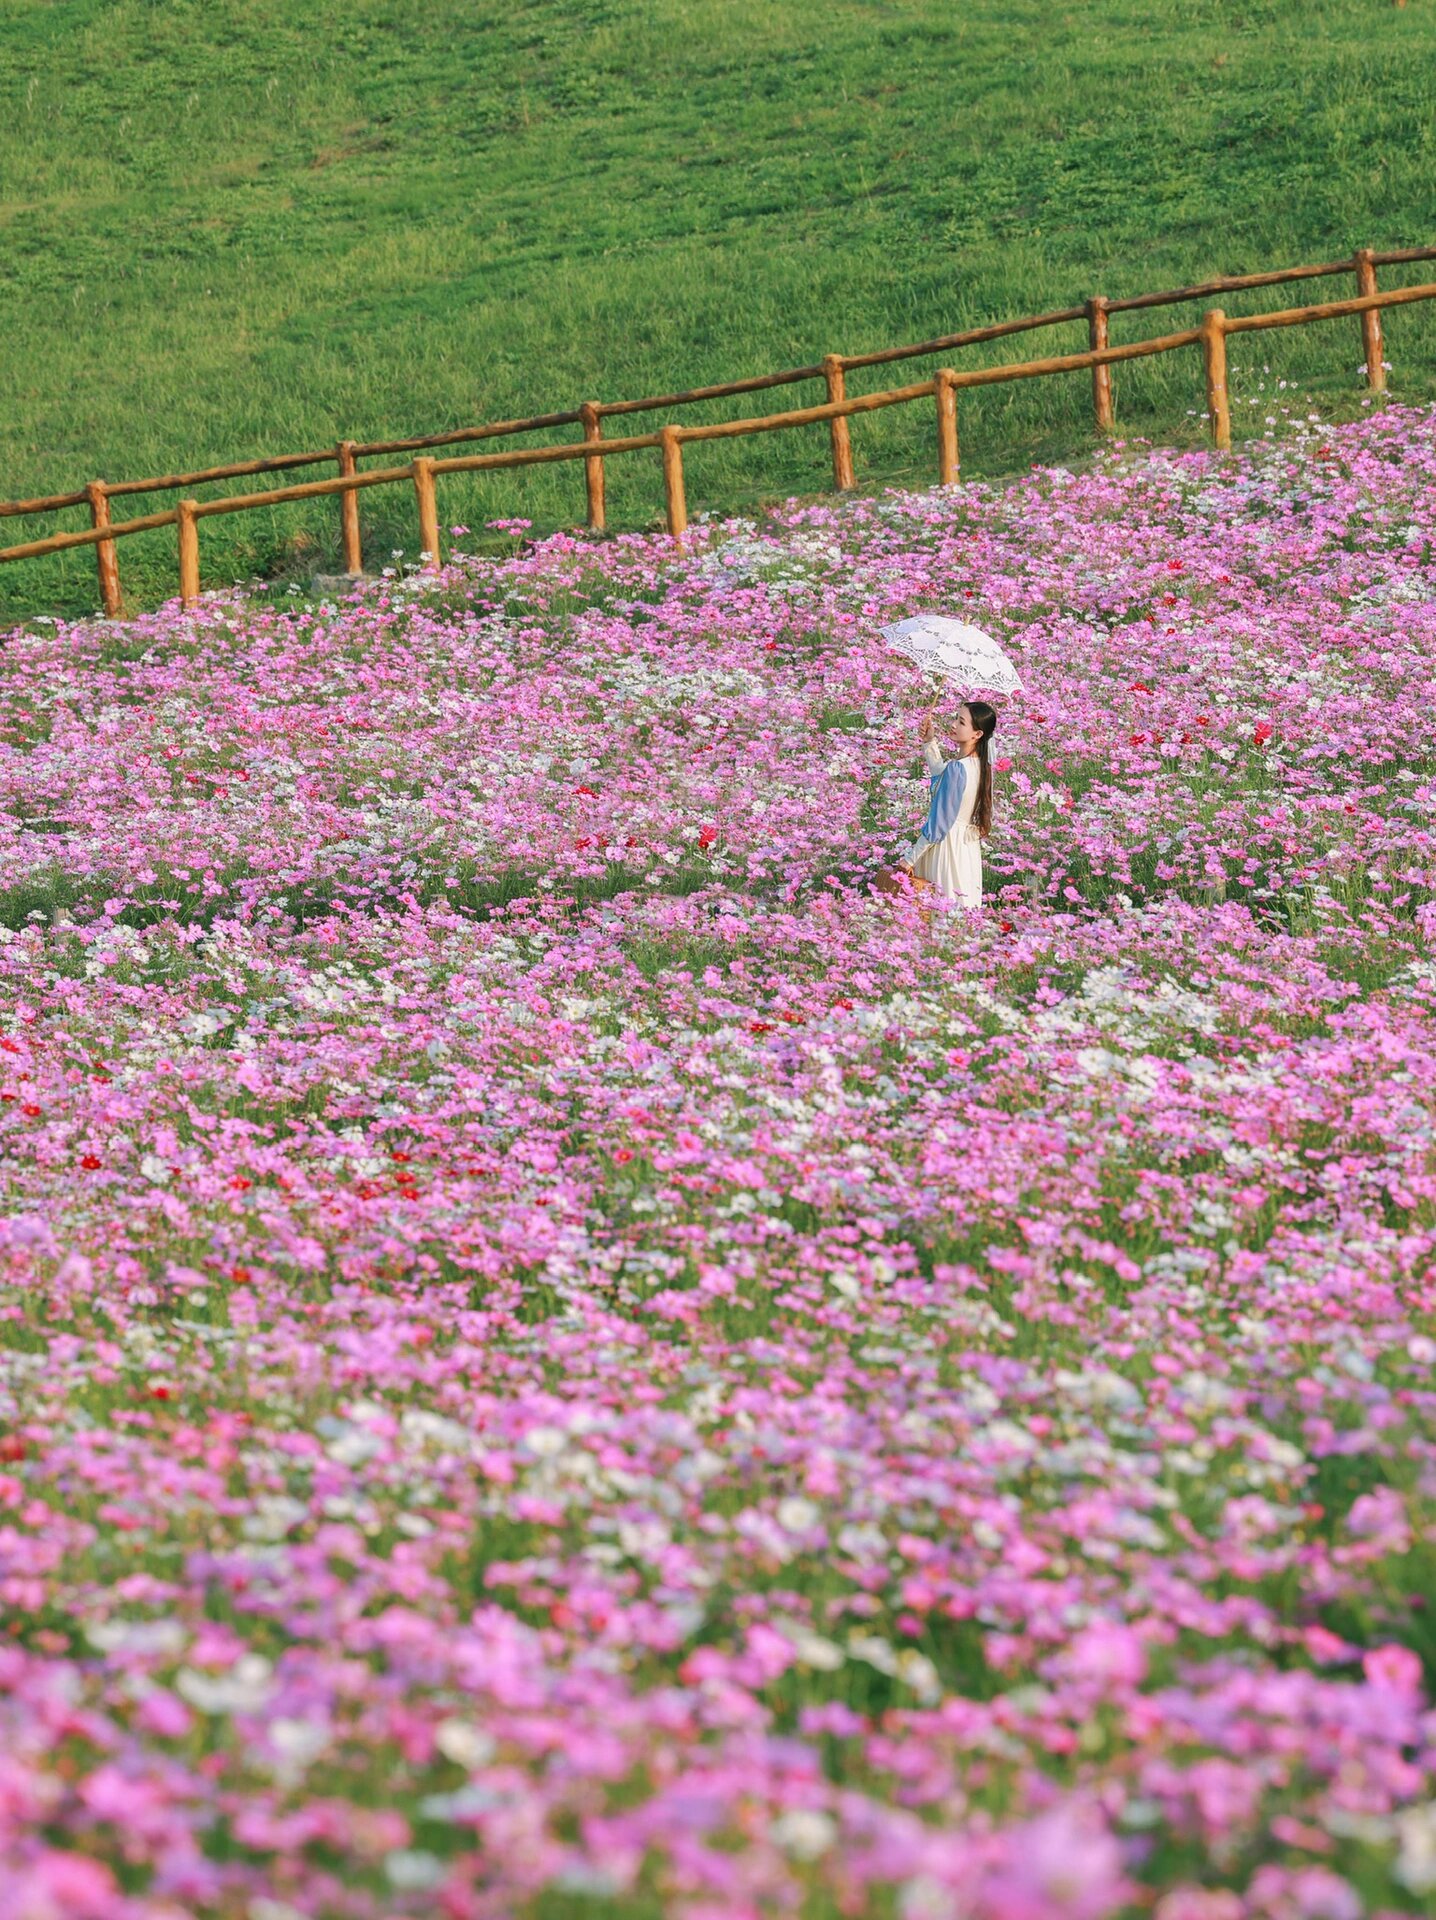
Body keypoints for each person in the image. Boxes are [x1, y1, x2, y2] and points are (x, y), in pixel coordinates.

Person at [901, 700, 996, 908]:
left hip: (945, 847)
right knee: (960, 909)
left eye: (961, 722)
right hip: (965, 849)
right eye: (956, 718)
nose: (953, 725)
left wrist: (909, 859)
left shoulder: (957, 769)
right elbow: (942, 779)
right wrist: (929, 742)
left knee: (938, 909)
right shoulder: (981, 767)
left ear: (977, 734)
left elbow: (938, 824)